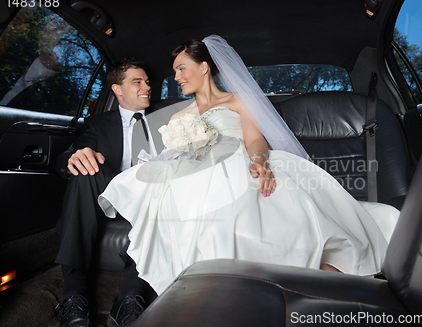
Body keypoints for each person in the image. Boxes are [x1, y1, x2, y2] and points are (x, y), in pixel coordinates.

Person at [98, 35, 400, 297]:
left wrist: (259, 161)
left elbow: (255, 140)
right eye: (175, 71)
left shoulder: (236, 101)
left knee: (254, 210)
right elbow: (175, 154)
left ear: (203, 67)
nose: (176, 76)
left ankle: (322, 283)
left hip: (239, 164)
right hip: (198, 175)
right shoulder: (179, 117)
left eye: (181, 68)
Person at [55, 57, 173, 327]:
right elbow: (69, 155)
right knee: (87, 170)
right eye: (137, 82)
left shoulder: (168, 119)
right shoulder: (98, 124)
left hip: (156, 195)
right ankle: (74, 295)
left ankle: (131, 297)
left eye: (147, 81)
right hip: (110, 192)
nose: (146, 87)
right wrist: (74, 157)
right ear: (117, 89)